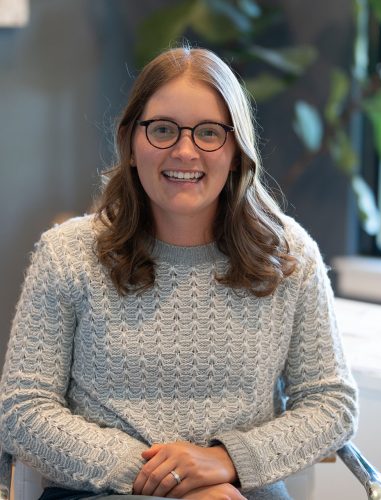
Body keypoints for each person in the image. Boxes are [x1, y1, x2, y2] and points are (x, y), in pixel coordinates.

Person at [0, 46, 358, 500]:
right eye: (163, 130)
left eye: (209, 132)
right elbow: (22, 411)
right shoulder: (68, 254)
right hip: (103, 490)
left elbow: (332, 405)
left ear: (235, 150)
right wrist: (169, 482)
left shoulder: (289, 256)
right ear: (131, 142)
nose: (185, 151)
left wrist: (222, 460)